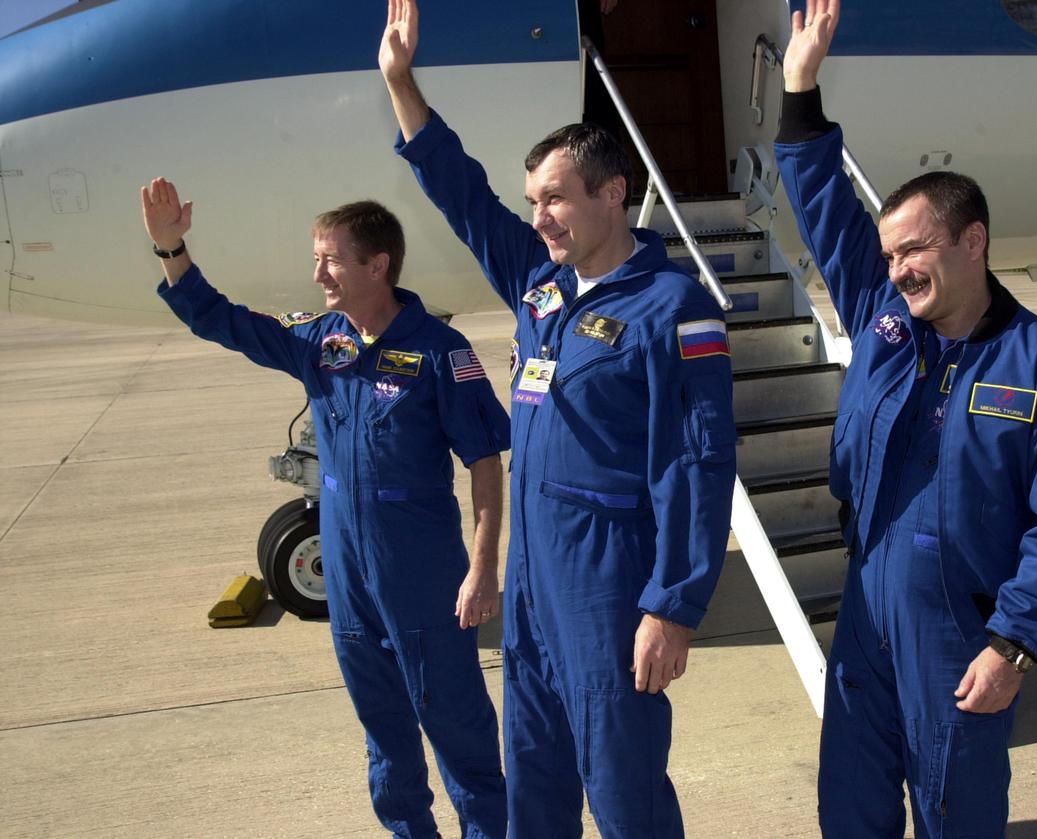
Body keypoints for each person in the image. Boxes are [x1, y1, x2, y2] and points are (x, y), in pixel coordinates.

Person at [378, 1, 737, 836]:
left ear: (614, 194)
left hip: (610, 583)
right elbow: (462, 195)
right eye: (533, 199)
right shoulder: (542, 286)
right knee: (533, 776)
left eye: (556, 199)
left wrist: (672, 606)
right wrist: (402, 85)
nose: (539, 217)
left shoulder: (672, 309)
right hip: (537, 577)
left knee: (622, 783)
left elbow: (697, 465)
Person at [774, 1, 1037, 836]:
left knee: (955, 810)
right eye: (889, 255)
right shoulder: (886, 322)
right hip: (867, 607)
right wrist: (799, 86)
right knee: (849, 803)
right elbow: (823, 206)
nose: (894, 271)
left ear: (973, 242)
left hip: (961, 631)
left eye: (913, 251)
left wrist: (1014, 645)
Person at [141, 179, 510, 839]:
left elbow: (484, 461)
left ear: (378, 265)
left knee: (460, 736)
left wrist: (483, 569)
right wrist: (173, 248)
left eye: (330, 259)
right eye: (316, 259)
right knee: (385, 742)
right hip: (348, 581)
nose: (316, 274)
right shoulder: (321, 344)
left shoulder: (440, 352)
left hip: (422, 579)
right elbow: (226, 321)